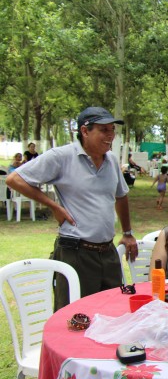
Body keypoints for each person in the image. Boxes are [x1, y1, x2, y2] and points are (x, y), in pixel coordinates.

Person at [6, 106, 138, 310]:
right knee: (74, 316)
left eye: (112, 130)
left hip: (107, 251)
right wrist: (53, 206)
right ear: (85, 131)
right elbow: (15, 179)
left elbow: (121, 195)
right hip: (76, 252)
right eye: (104, 130)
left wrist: (128, 232)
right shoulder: (61, 156)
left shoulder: (111, 160)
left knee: (112, 312)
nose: (110, 136)